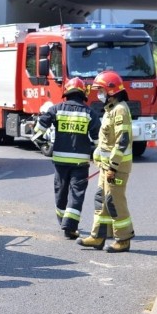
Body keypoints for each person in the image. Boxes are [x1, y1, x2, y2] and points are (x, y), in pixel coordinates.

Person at [33, 77, 101, 239]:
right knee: (76, 194)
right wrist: (95, 155)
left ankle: (62, 220)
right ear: (83, 94)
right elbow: (99, 141)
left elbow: (37, 132)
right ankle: (70, 227)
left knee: (61, 192)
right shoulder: (90, 113)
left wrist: (44, 144)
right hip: (81, 163)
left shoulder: (56, 109)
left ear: (67, 93)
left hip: (60, 162)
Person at [77, 71, 134, 253]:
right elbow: (106, 142)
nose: (98, 94)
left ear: (111, 90)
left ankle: (123, 239)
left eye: (100, 90)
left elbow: (122, 141)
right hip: (106, 167)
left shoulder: (120, 110)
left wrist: (113, 166)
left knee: (114, 201)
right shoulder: (111, 109)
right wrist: (98, 158)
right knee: (101, 200)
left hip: (115, 168)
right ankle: (97, 237)